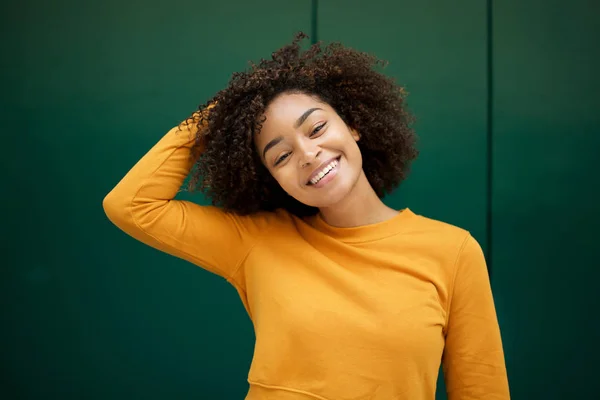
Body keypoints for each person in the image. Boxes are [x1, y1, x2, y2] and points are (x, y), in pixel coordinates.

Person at [103, 32, 510, 399]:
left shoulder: (452, 251)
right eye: (281, 155)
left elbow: (482, 390)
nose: (307, 154)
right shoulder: (259, 241)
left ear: (353, 125)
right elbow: (131, 206)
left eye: (315, 129)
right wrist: (217, 115)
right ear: (272, 178)